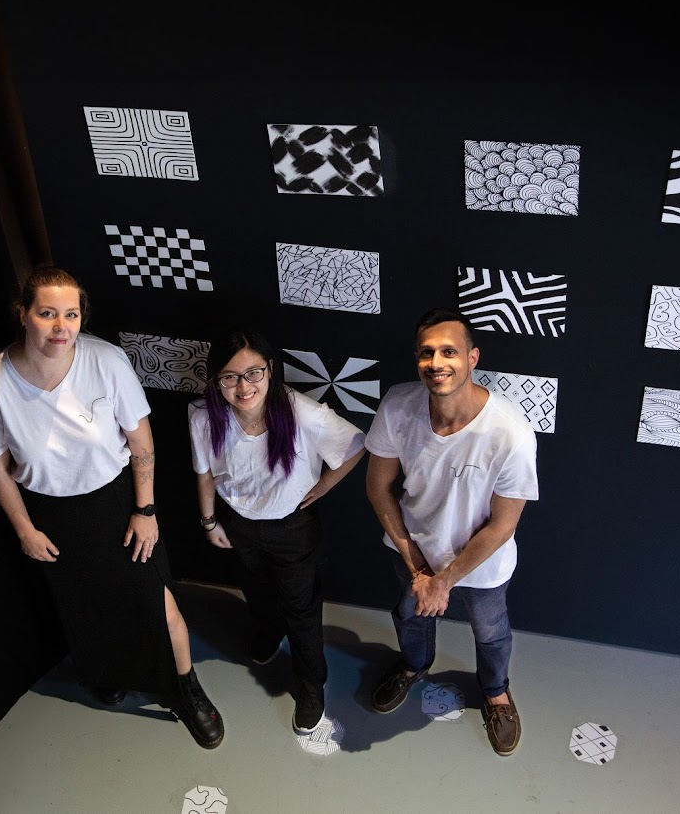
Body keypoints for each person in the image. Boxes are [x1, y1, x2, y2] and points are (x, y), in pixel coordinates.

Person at [0, 266, 223, 749]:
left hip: (118, 503)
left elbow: (141, 442)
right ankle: (109, 671)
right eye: (47, 313)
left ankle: (186, 687)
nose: (61, 326)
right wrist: (24, 529)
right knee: (85, 608)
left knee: (156, 603)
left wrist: (145, 512)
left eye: (71, 314)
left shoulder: (106, 361)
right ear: (23, 315)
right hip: (51, 517)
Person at [363, 308, 538, 756]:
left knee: (490, 630)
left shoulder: (510, 432)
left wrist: (443, 580)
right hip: (413, 552)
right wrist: (415, 561)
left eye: (449, 351)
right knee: (409, 616)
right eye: (426, 352)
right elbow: (377, 486)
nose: (436, 362)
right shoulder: (398, 405)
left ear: (472, 357)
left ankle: (496, 693)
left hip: (481, 563)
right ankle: (414, 666)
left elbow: (503, 524)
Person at [188, 328, 365, 734]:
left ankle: (311, 684)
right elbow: (202, 473)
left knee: (302, 610)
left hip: (293, 527)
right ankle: (268, 631)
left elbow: (355, 444)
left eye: (253, 373)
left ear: (270, 370)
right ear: (217, 379)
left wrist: (322, 487)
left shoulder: (301, 412)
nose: (243, 386)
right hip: (239, 522)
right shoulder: (202, 414)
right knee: (256, 590)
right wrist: (208, 520)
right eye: (230, 377)